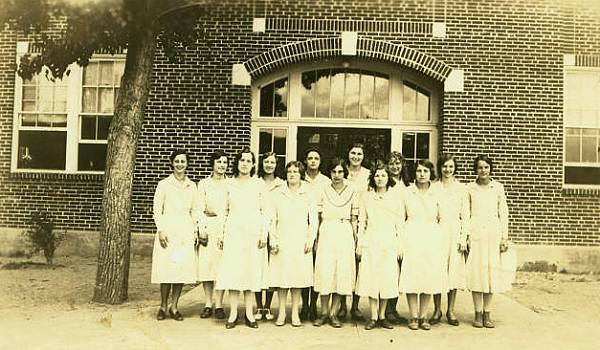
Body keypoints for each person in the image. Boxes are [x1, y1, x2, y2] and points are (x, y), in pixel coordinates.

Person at [216, 147, 268, 329]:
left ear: (253, 164)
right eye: (242, 160)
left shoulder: (259, 184)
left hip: (252, 233)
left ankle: (249, 314)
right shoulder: (228, 184)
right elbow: (224, 210)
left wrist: (264, 234)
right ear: (237, 163)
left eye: (248, 160)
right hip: (233, 232)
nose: (245, 163)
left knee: (249, 273)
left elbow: (265, 211)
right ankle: (232, 314)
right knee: (233, 272)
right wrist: (221, 235)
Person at [398, 159, 446, 331]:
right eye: (419, 171)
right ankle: (413, 316)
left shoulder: (437, 193)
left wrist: (439, 239)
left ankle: (424, 315)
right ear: (414, 173)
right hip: (411, 235)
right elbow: (400, 217)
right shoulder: (407, 192)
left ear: (430, 173)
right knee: (412, 276)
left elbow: (443, 217)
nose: (422, 174)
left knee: (428, 276)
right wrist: (401, 242)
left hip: (431, 236)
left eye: (425, 171)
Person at [268, 161, 318, 327]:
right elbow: (272, 219)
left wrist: (310, 239)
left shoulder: (308, 192)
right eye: (289, 172)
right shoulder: (277, 193)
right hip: (282, 239)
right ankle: (282, 312)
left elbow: (313, 220)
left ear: (301, 173)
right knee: (282, 279)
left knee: (298, 279)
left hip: (300, 240)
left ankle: (295, 312)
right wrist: (273, 240)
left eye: (296, 172)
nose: (292, 174)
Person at [152, 149, 199, 321]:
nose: (180, 164)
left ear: (187, 164)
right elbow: (157, 210)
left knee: (180, 270)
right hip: (168, 230)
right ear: (172, 163)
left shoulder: (191, 186)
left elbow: (195, 210)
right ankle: (163, 306)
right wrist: (161, 230)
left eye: (183, 161)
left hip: (185, 232)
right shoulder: (164, 184)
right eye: (177, 161)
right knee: (167, 269)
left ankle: (174, 306)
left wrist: (195, 232)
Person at [313, 158, 359, 328]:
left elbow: (354, 217)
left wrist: (355, 239)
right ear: (329, 173)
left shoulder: (353, 190)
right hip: (327, 230)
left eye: (340, 172)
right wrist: (316, 238)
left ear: (344, 172)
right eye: (334, 172)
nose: (337, 175)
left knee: (341, 271)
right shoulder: (323, 189)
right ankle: (323, 312)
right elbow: (318, 216)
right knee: (326, 271)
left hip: (344, 230)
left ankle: (334, 313)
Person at [466, 155, 512, 328]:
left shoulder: (497, 188)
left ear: (490, 169)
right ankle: (477, 313)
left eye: (486, 167)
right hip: (476, 233)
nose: (483, 170)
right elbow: (466, 212)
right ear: (475, 170)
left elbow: (504, 213)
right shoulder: (469, 188)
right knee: (478, 273)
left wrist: (504, 237)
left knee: (491, 273)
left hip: (493, 233)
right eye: (479, 167)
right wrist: (467, 236)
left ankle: (487, 313)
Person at [355, 161, 402, 330]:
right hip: (371, 241)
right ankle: (373, 316)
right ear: (372, 178)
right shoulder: (367, 197)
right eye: (377, 175)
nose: (380, 178)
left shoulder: (395, 197)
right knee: (372, 278)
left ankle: (383, 315)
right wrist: (360, 243)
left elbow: (399, 224)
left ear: (388, 177)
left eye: (383, 175)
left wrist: (399, 246)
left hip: (389, 242)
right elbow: (362, 221)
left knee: (387, 279)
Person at [429, 154, 468, 326]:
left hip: (455, 231)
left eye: (451, 166)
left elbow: (465, 215)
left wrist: (463, 237)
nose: (447, 170)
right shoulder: (434, 187)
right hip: (438, 231)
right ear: (440, 168)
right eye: (444, 166)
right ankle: (436, 309)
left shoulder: (461, 188)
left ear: (455, 168)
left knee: (453, 271)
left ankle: (450, 310)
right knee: (438, 270)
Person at [339, 142, 370, 322]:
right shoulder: (342, 172)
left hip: (362, 220)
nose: (356, 156)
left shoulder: (367, 175)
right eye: (353, 153)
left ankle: (355, 305)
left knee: (358, 264)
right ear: (348, 154)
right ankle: (342, 305)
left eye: (359, 153)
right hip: (345, 219)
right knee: (345, 263)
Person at [196, 150, 229, 320]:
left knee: (221, 267)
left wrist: (215, 212)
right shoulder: (203, 184)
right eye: (219, 162)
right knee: (207, 266)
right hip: (208, 229)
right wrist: (202, 229)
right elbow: (199, 208)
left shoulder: (230, 184)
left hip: (225, 229)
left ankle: (219, 304)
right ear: (213, 164)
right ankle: (208, 303)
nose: (222, 165)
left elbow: (232, 209)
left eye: (224, 162)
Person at [300, 148, 330, 321]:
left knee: (317, 268)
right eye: (309, 158)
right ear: (305, 161)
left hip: (321, 226)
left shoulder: (325, 181)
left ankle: (314, 306)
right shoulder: (299, 178)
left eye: (316, 158)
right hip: (302, 227)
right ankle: (305, 305)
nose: (312, 161)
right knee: (305, 268)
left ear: (320, 161)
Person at [254, 152, 285, 321]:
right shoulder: (255, 182)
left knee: (273, 267)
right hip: (258, 229)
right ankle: (259, 306)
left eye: (272, 162)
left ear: (276, 165)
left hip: (275, 229)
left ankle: (268, 306)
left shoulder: (282, 184)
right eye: (266, 162)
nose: (269, 165)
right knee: (259, 266)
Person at [383, 151, 409, 324]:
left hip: (405, 229)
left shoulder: (407, 185)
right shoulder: (385, 183)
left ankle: (393, 307)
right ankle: (385, 309)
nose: (395, 166)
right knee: (388, 270)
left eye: (398, 163)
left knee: (399, 270)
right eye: (391, 163)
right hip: (388, 230)